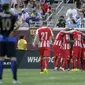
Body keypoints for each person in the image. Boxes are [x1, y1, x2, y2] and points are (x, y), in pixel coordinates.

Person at [0, 3, 20, 84]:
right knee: (13, 59)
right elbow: (19, 24)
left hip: (2, 39)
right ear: (9, 7)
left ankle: (0, 79)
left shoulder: (0, 16)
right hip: (10, 39)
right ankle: (14, 79)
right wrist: (13, 31)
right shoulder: (13, 16)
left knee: (1, 59)